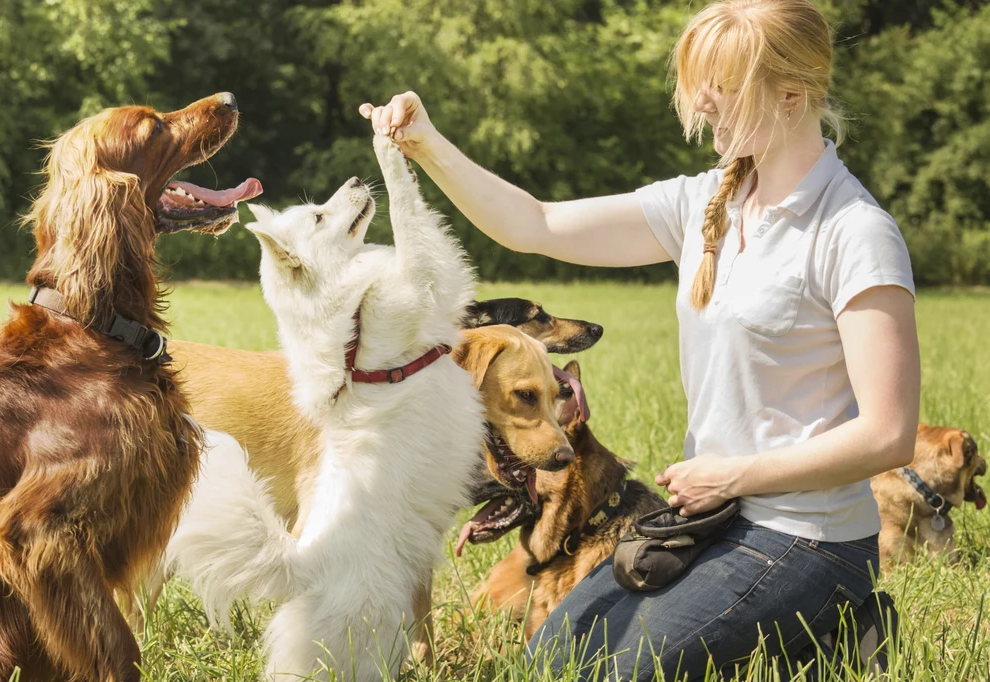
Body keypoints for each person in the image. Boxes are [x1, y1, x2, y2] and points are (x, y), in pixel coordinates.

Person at [360, 0, 919, 678]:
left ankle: (836, 614)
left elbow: (887, 435)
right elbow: (535, 224)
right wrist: (429, 143)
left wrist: (736, 474)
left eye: (722, 84)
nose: (703, 102)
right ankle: (818, 646)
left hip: (808, 538)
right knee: (550, 660)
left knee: (607, 674)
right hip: (714, 520)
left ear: (793, 95)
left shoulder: (854, 233)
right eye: (698, 82)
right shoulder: (705, 205)